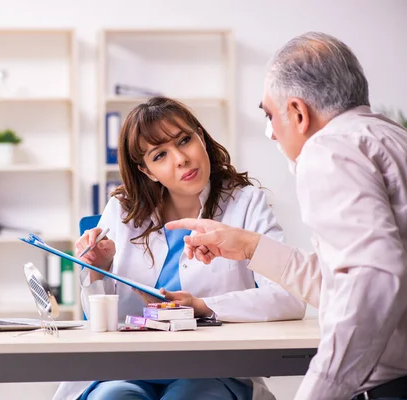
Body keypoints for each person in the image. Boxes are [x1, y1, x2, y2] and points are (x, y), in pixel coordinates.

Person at [165, 32, 407, 400]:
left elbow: (372, 279)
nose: (271, 132)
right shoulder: (389, 136)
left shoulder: (328, 151)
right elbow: (348, 284)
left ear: (297, 112)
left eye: (269, 114)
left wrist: (321, 391)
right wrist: (249, 245)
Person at [52, 96, 305, 400]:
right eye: (160, 155)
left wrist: (202, 307)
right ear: (146, 171)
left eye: (185, 140)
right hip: (127, 366)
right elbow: (99, 320)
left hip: (213, 368)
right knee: (114, 397)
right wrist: (98, 269)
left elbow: (290, 297)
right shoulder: (121, 210)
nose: (181, 159)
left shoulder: (246, 203)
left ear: (201, 135)